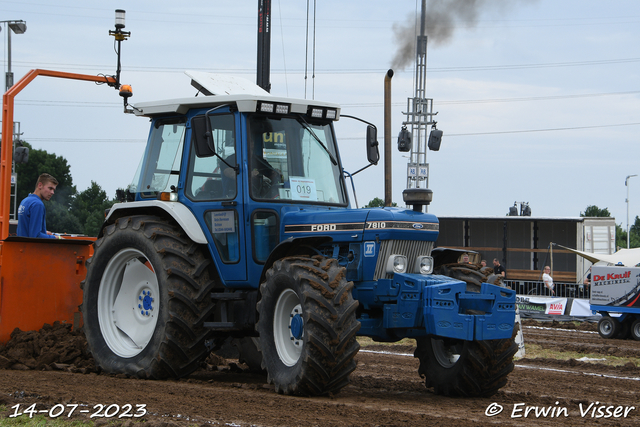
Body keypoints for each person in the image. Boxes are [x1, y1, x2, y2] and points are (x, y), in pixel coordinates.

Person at [17, 173, 62, 239]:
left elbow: (26, 230)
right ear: (40, 185)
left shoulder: (25, 201)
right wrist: (57, 238)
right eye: (50, 188)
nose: (52, 192)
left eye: (53, 190)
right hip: (31, 248)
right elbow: (35, 236)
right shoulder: (37, 204)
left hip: (20, 247)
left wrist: (43, 232)